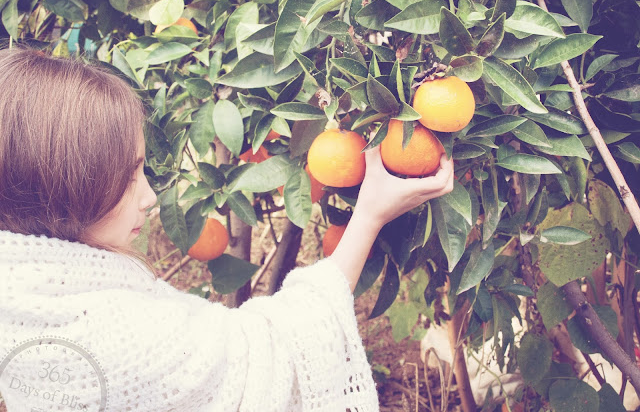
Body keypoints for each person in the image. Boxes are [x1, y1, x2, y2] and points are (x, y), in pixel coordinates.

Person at [0, 46, 453, 412]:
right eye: (129, 175)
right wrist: (369, 216)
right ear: (66, 189)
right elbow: (274, 354)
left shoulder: (20, 302)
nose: (149, 197)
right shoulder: (121, 341)